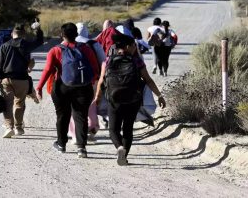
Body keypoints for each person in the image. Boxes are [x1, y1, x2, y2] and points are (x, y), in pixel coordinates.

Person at [94, 33, 166, 166]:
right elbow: (148, 80)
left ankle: (119, 147)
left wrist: (97, 97)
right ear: (128, 46)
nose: (135, 48)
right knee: (128, 129)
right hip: (133, 100)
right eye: (134, 46)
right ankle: (124, 156)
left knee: (114, 129)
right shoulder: (137, 61)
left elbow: (101, 81)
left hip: (114, 100)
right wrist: (160, 96)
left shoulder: (108, 61)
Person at [36, 23, 99, 158]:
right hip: (83, 87)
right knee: (81, 116)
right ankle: (81, 148)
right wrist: (91, 81)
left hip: (62, 87)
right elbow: (94, 68)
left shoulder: (55, 50)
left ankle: (61, 144)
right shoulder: (86, 49)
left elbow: (48, 70)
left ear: (62, 35)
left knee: (62, 116)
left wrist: (39, 87)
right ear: (76, 34)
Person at [0, 23, 43, 138]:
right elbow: (39, 41)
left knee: (7, 104)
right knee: (19, 103)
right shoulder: (26, 45)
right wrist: (38, 29)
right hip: (22, 80)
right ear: (23, 34)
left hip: (6, 80)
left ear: (11, 34)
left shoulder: (4, 46)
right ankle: (18, 127)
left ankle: (9, 127)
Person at [67, 22, 106, 144]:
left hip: (72, 80)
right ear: (86, 31)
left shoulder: (68, 43)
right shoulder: (93, 44)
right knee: (91, 104)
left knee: (73, 106)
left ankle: (73, 132)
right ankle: (91, 127)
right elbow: (103, 61)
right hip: (91, 79)